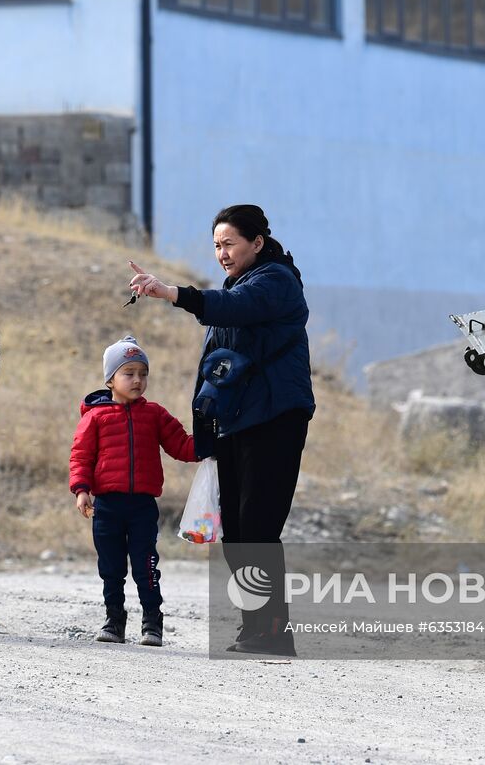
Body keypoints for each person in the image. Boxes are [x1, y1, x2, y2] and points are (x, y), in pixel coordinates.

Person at [127, 204, 313, 656]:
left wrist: (172, 292)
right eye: (216, 246)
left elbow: (233, 308)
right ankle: (256, 629)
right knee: (236, 533)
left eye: (229, 244)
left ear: (257, 243)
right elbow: (218, 369)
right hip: (237, 422)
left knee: (258, 528)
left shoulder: (276, 282)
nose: (222, 253)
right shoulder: (238, 285)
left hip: (274, 421)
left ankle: (273, 632)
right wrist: (205, 428)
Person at [69, 336, 197, 646]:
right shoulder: (95, 418)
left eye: (143, 373)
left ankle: (152, 623)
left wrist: (211, 443)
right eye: (129, 373)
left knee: (146, 564)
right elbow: (81, 456)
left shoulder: (154, 414)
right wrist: (81, 489)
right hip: (107, 507)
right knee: (111, 567)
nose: (137, 380)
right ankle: (114, 620)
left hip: (142, 507)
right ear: (110, 379)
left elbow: (181, 446)